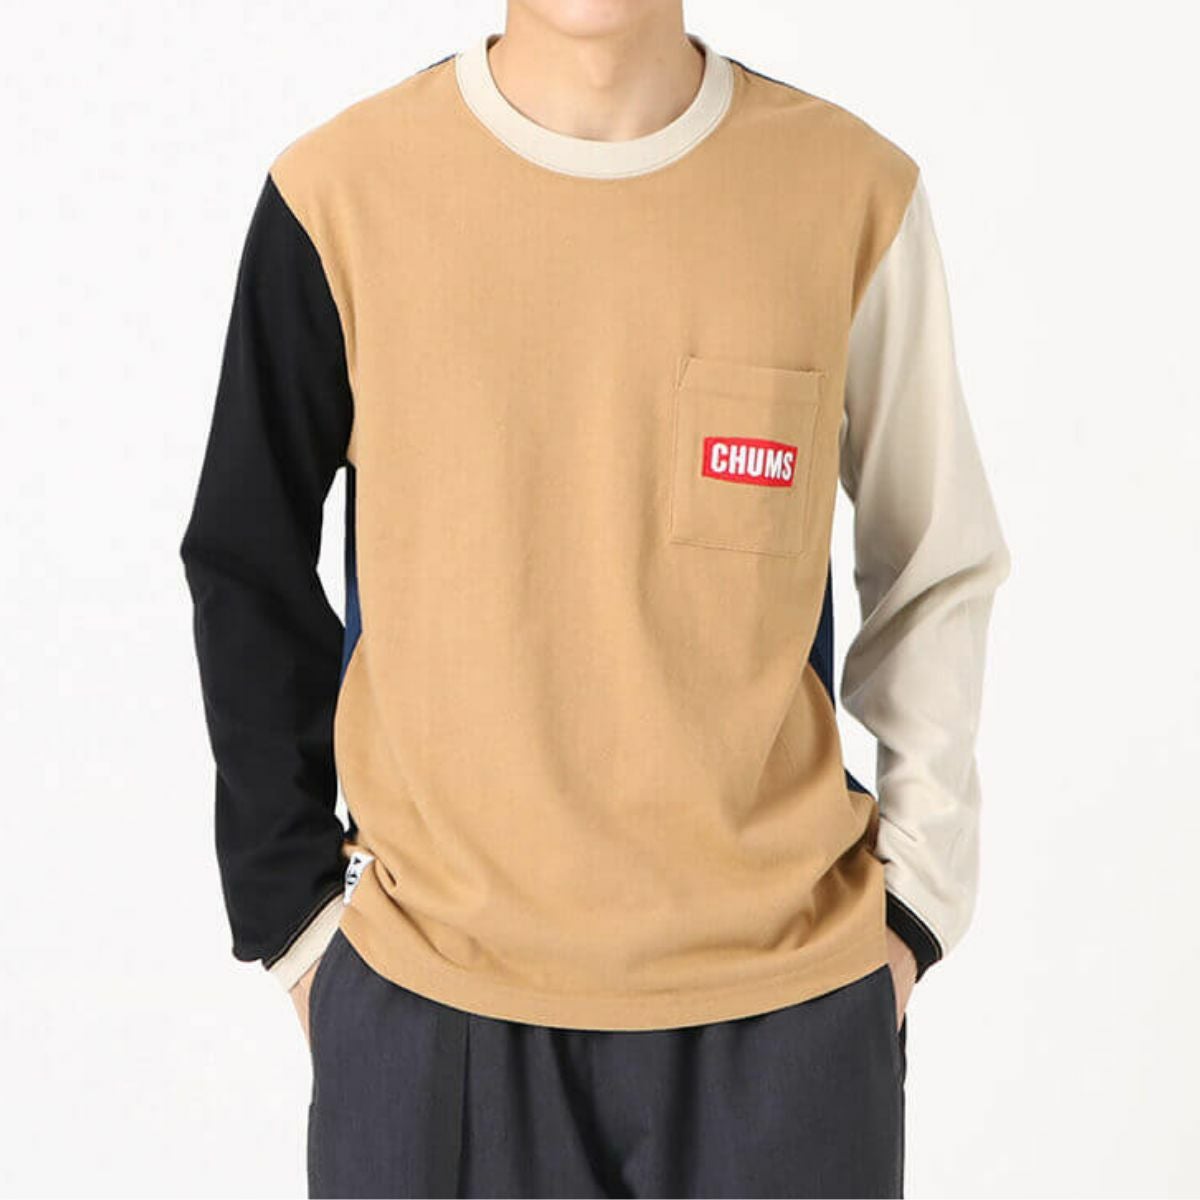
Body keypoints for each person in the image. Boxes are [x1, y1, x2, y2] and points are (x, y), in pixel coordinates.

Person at [180, 1, 1010, 1195]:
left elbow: (935, 563)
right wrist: (300, 929)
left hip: (785, 1025)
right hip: (433, 1009)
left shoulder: (849, 195)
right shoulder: (340, 196)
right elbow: (246, 561)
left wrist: (915, 908)